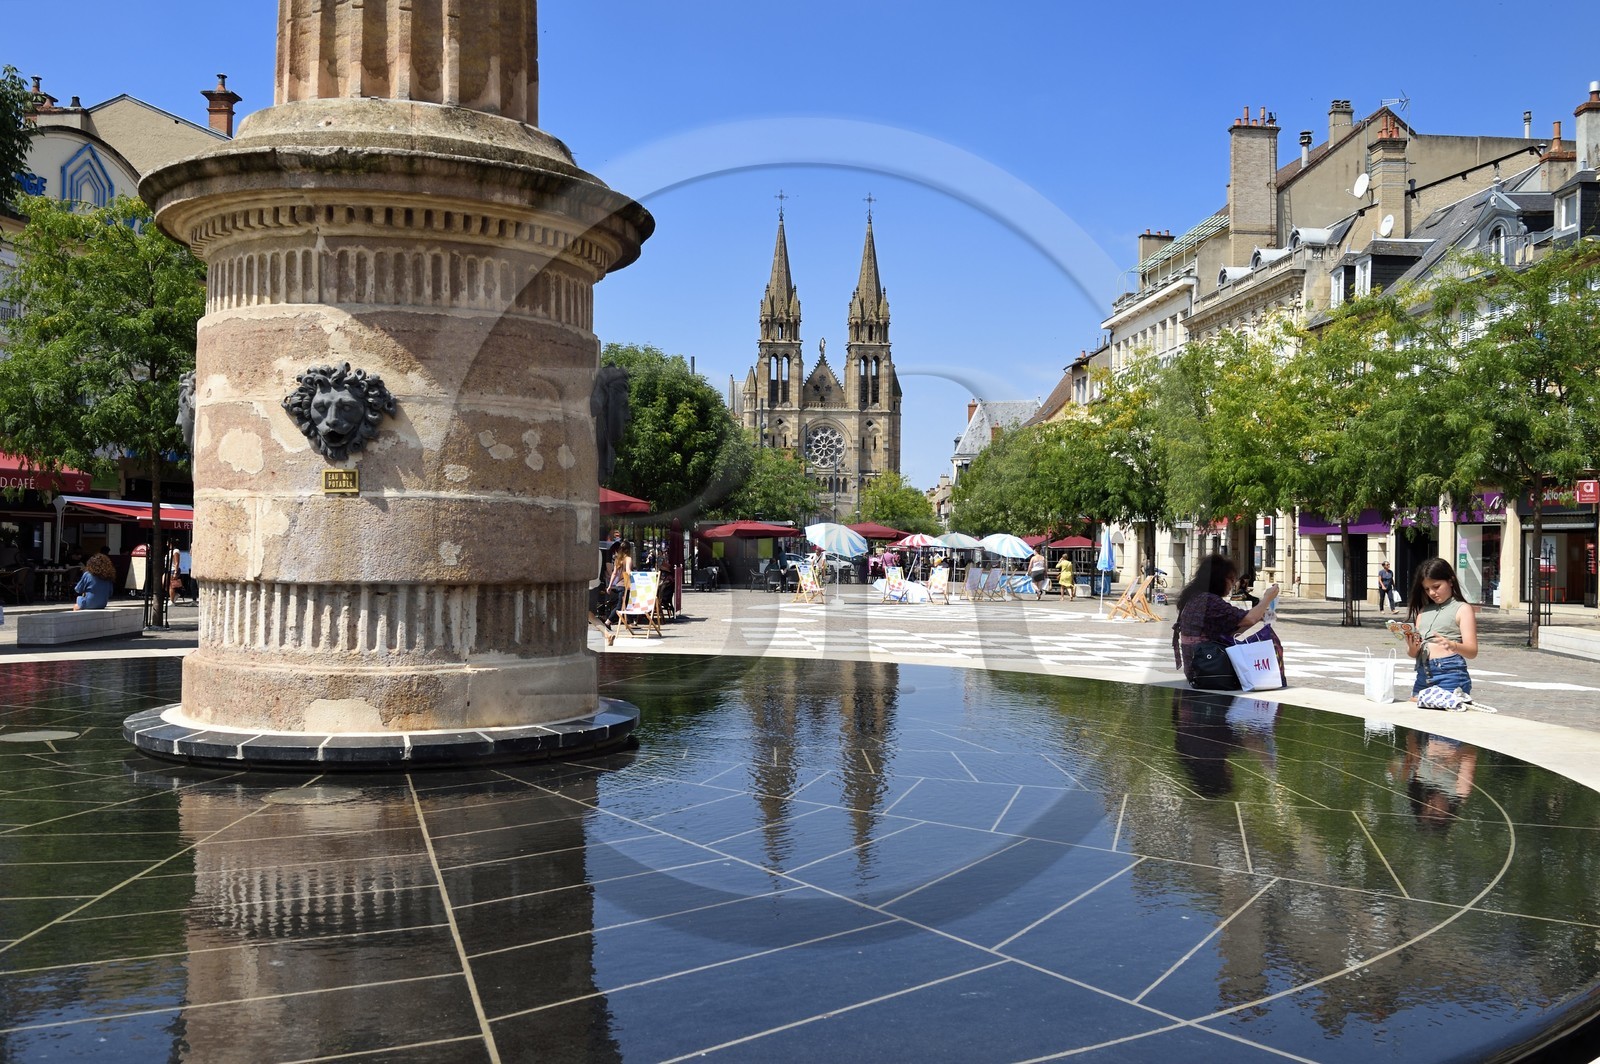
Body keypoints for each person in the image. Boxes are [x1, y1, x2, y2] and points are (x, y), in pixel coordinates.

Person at [1171, 553, 1282, 687]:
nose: (1233, 583)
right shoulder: (1210, 601)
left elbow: (1233, 629)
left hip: (1200, 669)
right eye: (1230, 579)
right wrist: (1267, 598)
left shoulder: (1196, 597)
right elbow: (1249, 619)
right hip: (1209, 669)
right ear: (1218, 579)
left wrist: (1257, 617)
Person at [1402, 557, 1477, 701]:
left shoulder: (1462, 609)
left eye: (1436, 587)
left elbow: (1472, 651)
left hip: (1449, 674)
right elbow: (1413, 653)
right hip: (1423, 673)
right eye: (1427, 589)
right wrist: (1412, 647)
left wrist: (1452, 645)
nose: (1432, 593)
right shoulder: (1423, 611)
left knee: (1445, 718)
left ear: (1450, 581)